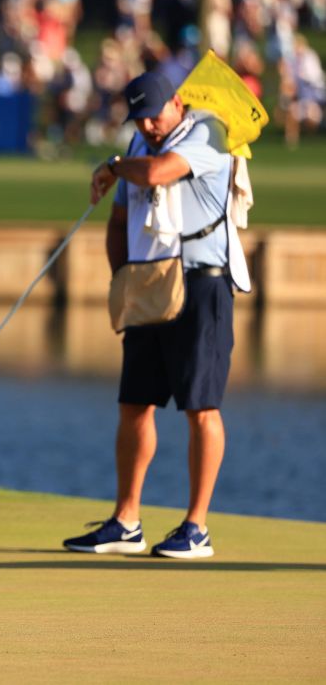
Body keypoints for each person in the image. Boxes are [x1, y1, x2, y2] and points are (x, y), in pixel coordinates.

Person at [64, 71, 247, 560]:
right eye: (138, 117)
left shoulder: (208, 131)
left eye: (154, 113)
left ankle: (197, 528)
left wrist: (112, 165)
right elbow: (120, 220)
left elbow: (158, 174)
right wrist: (120, 278)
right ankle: (126, 521)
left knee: (201, 407)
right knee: (135, 404)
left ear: (177, 102)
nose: (146, 124)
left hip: (202, 283)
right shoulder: (136, 148)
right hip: (149, 286)